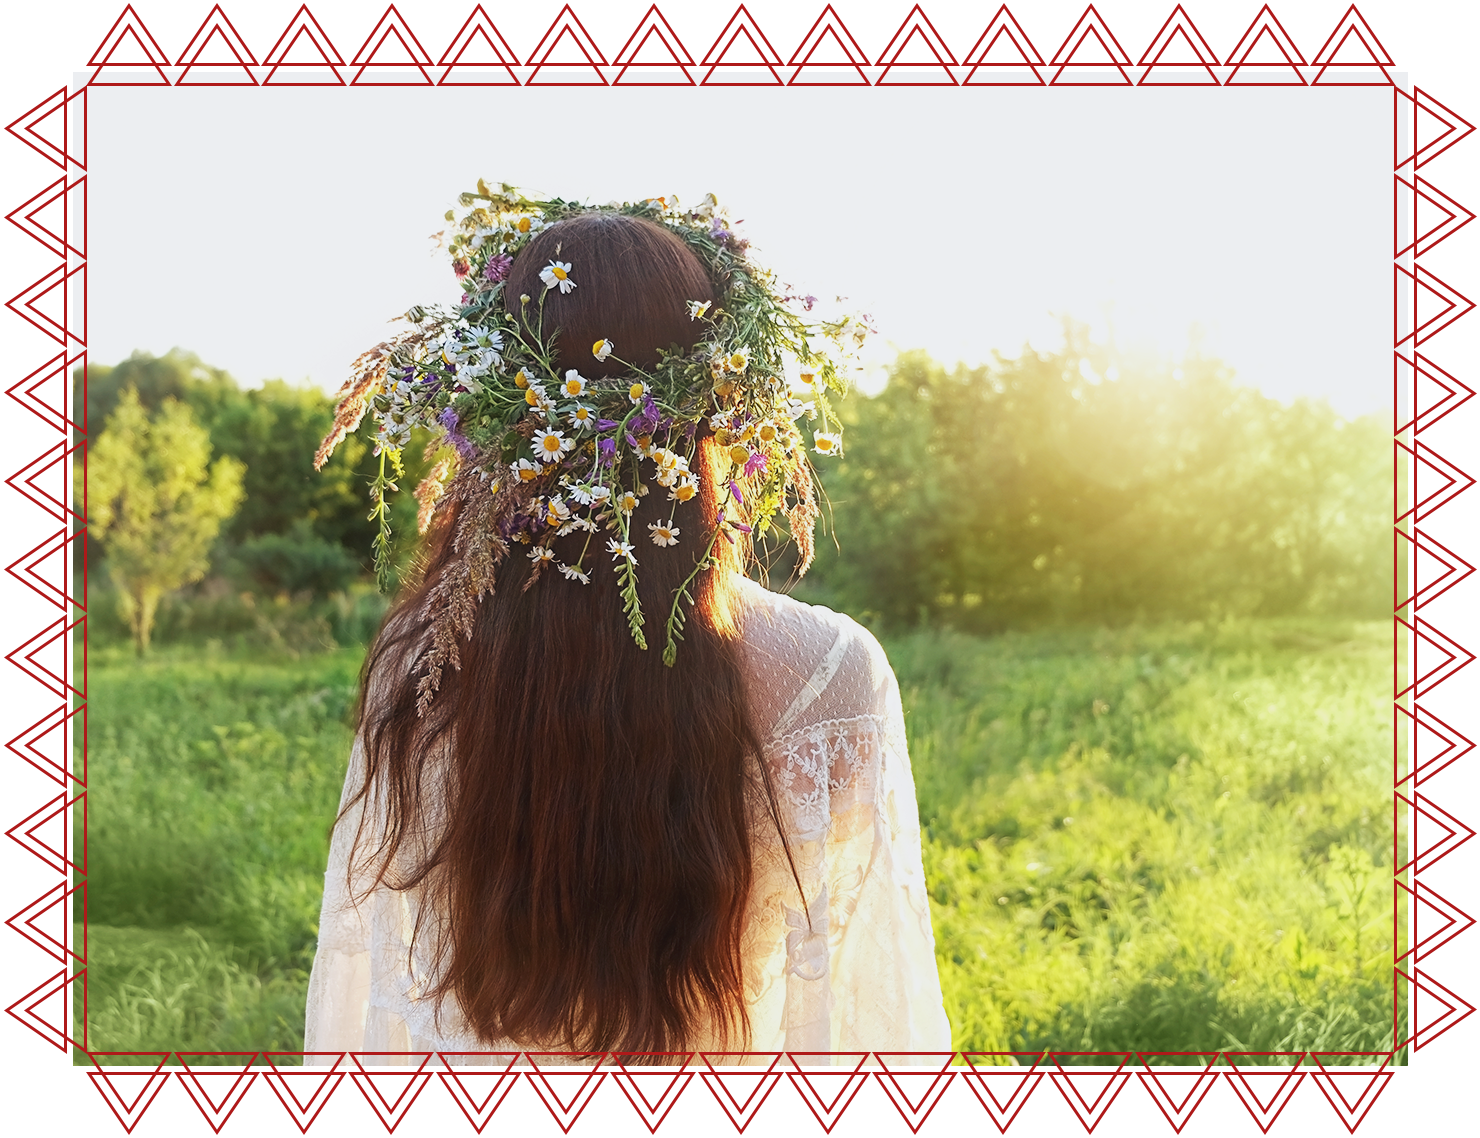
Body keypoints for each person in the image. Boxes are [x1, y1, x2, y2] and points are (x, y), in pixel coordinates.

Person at [305, 187, 950, 1061]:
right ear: (725, 399)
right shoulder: (830, 673)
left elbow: (372, 992)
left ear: (492, 413)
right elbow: (863, 1005)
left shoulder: (423, 664)